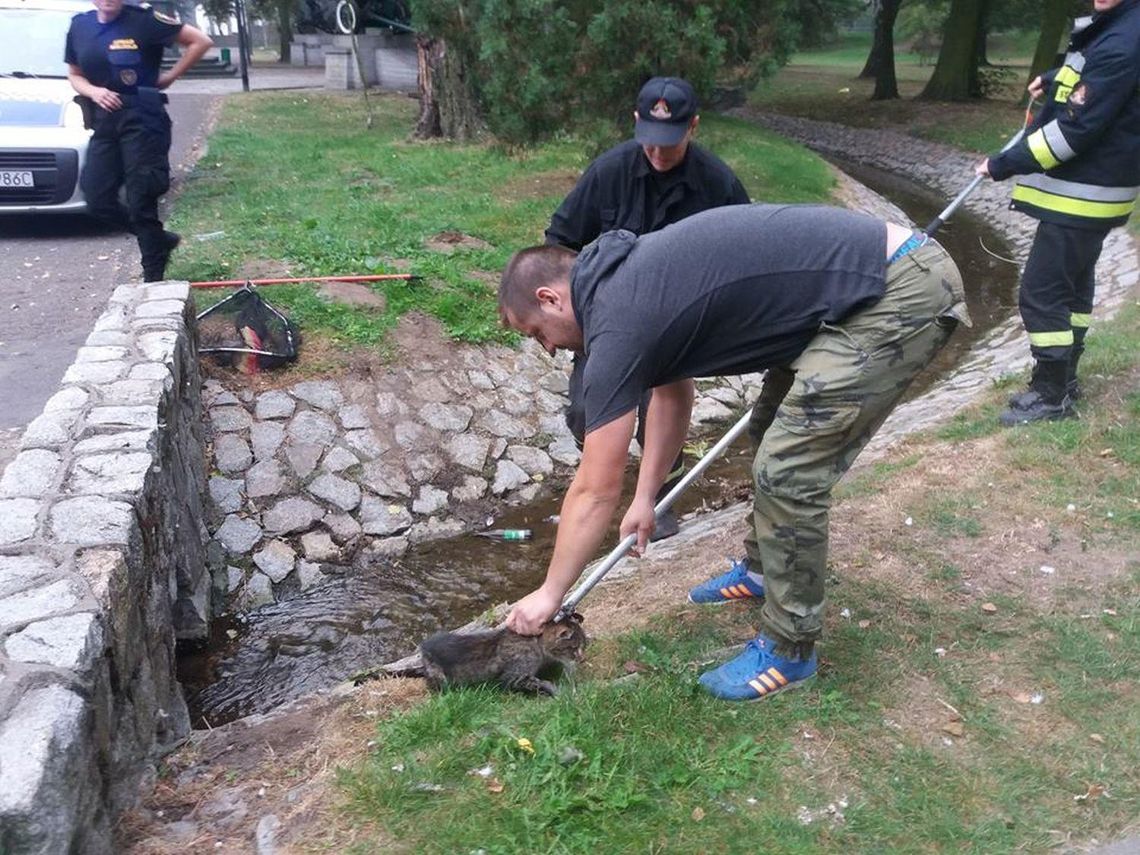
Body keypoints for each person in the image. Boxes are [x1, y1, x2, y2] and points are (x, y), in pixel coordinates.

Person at [499, 203, 969, 700]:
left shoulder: (617, 322)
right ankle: (763, 570)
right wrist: (647, 497)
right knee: (769, 430)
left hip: (897, 291)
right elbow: (672, 393)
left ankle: (790, 649)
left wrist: (550, 593)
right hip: (855, 287)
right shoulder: (621, 285)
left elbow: (594, 489)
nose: (548, 348)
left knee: (789, 472)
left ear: (550, 298)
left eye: (536, 334)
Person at [546, 76, 751, 540]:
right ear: (636, 122)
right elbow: (559, 244)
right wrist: (570, 311)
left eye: (671, 144)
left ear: (693, 127)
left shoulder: (717, 183)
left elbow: (746, 249)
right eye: (650, 143)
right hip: (607, 321)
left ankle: (660, 501)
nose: (658, 154)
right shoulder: (608, 172)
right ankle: (602, 491)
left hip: (676, 325)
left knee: (662, 410)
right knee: (586, 413)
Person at [975, 0, 1139, 426]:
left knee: (1042, 292)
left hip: (1083, 191)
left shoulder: (1123, 39)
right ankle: (1064, 380)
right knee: (1073, 285)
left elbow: (1076, 129)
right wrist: (1053, 79)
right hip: (1101, 189)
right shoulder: (1118, 25)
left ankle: (1050, 395)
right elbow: (1091, 79)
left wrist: (1003, 163)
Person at [66, 0, 213, 282]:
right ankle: (159, 239)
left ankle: (153, 278)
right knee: (97, 197)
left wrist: (169, 77)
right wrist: (95, 92)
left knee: (141, 198)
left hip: (143, 118)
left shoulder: (144, 20)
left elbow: (200, 41)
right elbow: (75, 74)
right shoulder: (79, 25)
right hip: (104, 120)